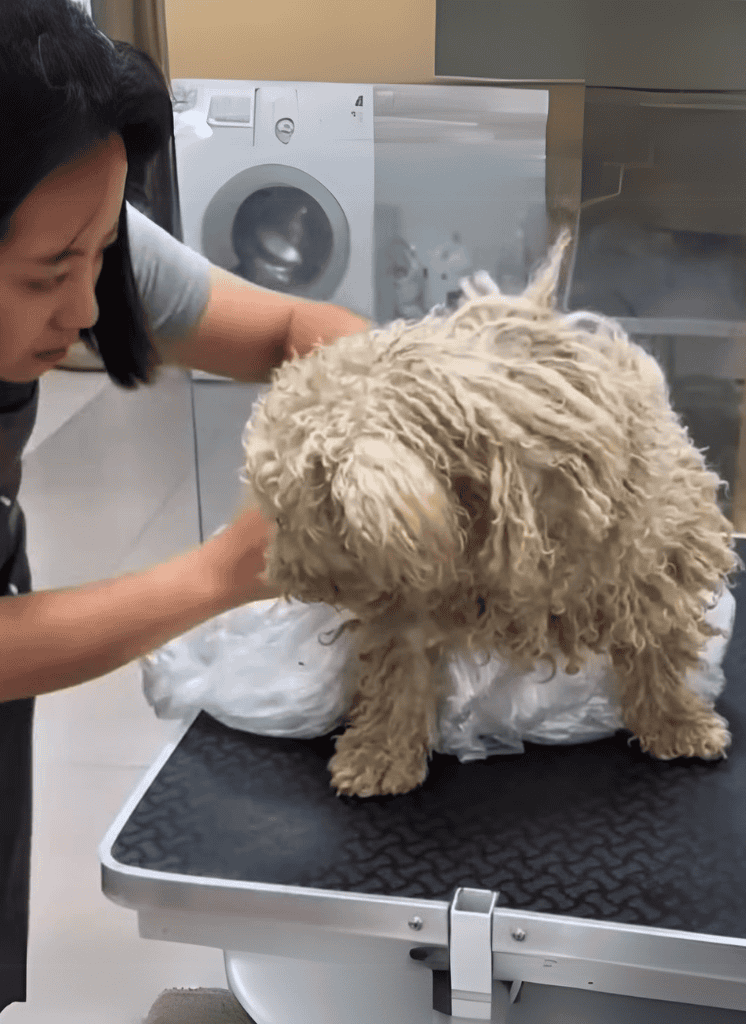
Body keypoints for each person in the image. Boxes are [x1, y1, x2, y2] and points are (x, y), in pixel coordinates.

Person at [0, 0, 372, 1013]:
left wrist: (406, 403)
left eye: (100, 251)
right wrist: (222, 574)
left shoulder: (77, 217)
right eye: (47, 274)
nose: (84, 306)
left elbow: (298, 324)